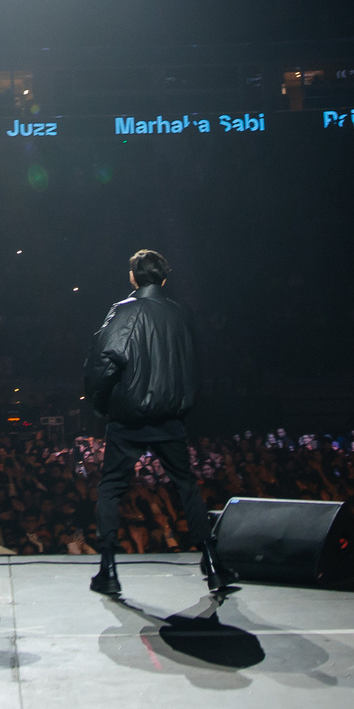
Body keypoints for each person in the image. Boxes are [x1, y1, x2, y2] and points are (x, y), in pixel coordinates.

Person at [82, 249, 218, 596]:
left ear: (132, 277)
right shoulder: (180, 314)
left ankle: (108, 569)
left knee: (111, 486)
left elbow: (103, 362)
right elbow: (193, 366)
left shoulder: (124, 311)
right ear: (164, 278)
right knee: (186, 485)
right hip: (170, 415)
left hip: (129, 416)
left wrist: (101, 406)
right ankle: (212, 564)